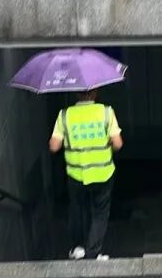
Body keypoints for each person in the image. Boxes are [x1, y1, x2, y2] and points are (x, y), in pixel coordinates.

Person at [50, 89, 123, 260]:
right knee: (100, 213)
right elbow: (118, 144)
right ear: (95, 92)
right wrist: (108, 145)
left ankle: (77, 248)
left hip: (77, 175)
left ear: (77, 94)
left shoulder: (65, 115)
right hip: (102, 173)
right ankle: (93, 252)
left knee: (77, 210)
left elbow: (54, 146)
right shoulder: (106, 112)